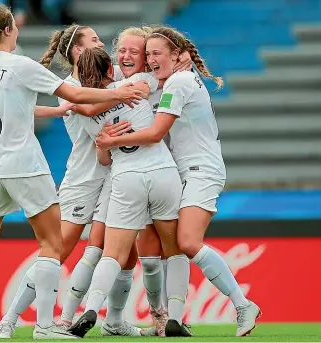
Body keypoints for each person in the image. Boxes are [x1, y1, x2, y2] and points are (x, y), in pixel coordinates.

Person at [0, 4, 143, 340]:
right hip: (25, 165)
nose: (18, 30)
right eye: (14, 27)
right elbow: (75, 92)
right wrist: (118, 92)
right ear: (7, 30)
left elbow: (19, 107)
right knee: (51, 244)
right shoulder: (19, 65)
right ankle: (45, 327)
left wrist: (56, 110)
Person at [96, 26, 261, 337]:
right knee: (162, 248)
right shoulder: (166, 79)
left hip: (201, 170)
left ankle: (242, 304)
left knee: (185, 242)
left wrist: (111, 142)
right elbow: (116, 77)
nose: (150, 59)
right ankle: (171, 319)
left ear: (177, 55)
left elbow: (157, 133)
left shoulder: (179, 82)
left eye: (157, 53)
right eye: (149, 55)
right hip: (175, 172)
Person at [0, 24, 150, 339]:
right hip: (84, 178)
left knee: (124, 251)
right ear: (77, 50)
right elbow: (87, 105)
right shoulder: (68, 87)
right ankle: (9, 319)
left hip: (117, 173)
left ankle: (114, 321)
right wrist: (123, 91)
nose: (102, 43)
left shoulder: (113, 73)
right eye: (93, 40)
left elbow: (142, 74)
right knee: (58, 250)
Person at [66, 47, 187, 339]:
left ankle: (91, 308)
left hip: (125, 177)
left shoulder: (88, 115)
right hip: (162, 171)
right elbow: (157, 79)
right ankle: (174, 317)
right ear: (111, 69)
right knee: (172, 251)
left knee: (113, 254)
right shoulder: (133, 84)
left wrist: (102, 142)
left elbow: (104, 158)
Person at [112, 25, 193, 336]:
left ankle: (173, 316)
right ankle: (160, 317)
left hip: (171, 172)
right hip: (136, 175)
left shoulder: (168, 80)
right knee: (147, 257)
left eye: (138, 51)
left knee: (173, 246)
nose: (128, 56)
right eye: (123, 50)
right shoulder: (118, 83)